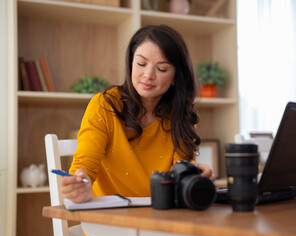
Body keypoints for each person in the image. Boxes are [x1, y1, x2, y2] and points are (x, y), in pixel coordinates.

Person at [61, 24, 215, 203]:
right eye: (141, 64)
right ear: (131, 63)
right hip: (108, 221)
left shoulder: (180, 116)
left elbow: (180, 176)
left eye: (162, 69)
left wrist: (193, 178)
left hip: (160, 218)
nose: (148, 75)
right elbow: (84, 166)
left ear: (176, 76)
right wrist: (82, 183)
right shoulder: (105, 105)